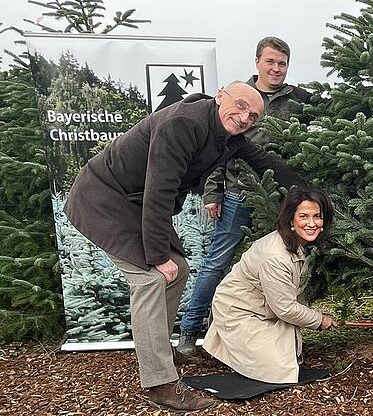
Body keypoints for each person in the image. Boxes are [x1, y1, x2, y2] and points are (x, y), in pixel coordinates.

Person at [64, 81, 304, 412]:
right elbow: (159, 190)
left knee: (179, 272)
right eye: (241, 106)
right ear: (220, 96)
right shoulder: (182, 123)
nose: (246, 116)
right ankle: (161, 384)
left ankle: (158, 352)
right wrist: (158, 256)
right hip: (104, 198)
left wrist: (308, 193)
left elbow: (264, 162)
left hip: (134, 202)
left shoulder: (227, 136)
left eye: (254, 115)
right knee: (151, 278)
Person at [178, 36, 313, 355]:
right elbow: (215, 148)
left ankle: (271, 335)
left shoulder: (298, 99)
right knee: (217, 261)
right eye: (270, 62)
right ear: (257, 63)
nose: (276, 68)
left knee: (280, 262)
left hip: (282, 197)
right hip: (240, 193)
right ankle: (189, 331)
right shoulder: (239, 99)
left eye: (282, 63)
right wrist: (213, 192)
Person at [203, 186, 338, 383]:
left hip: (266, 310)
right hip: (240, 312)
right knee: (279, 371)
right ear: (291, 219)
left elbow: (291, 295)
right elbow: (285, 307)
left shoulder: (297, 244)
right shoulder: (275, 257)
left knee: (289, 355)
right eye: (304, 216)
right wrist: (320, 320)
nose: (312, 223)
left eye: (317, 216)